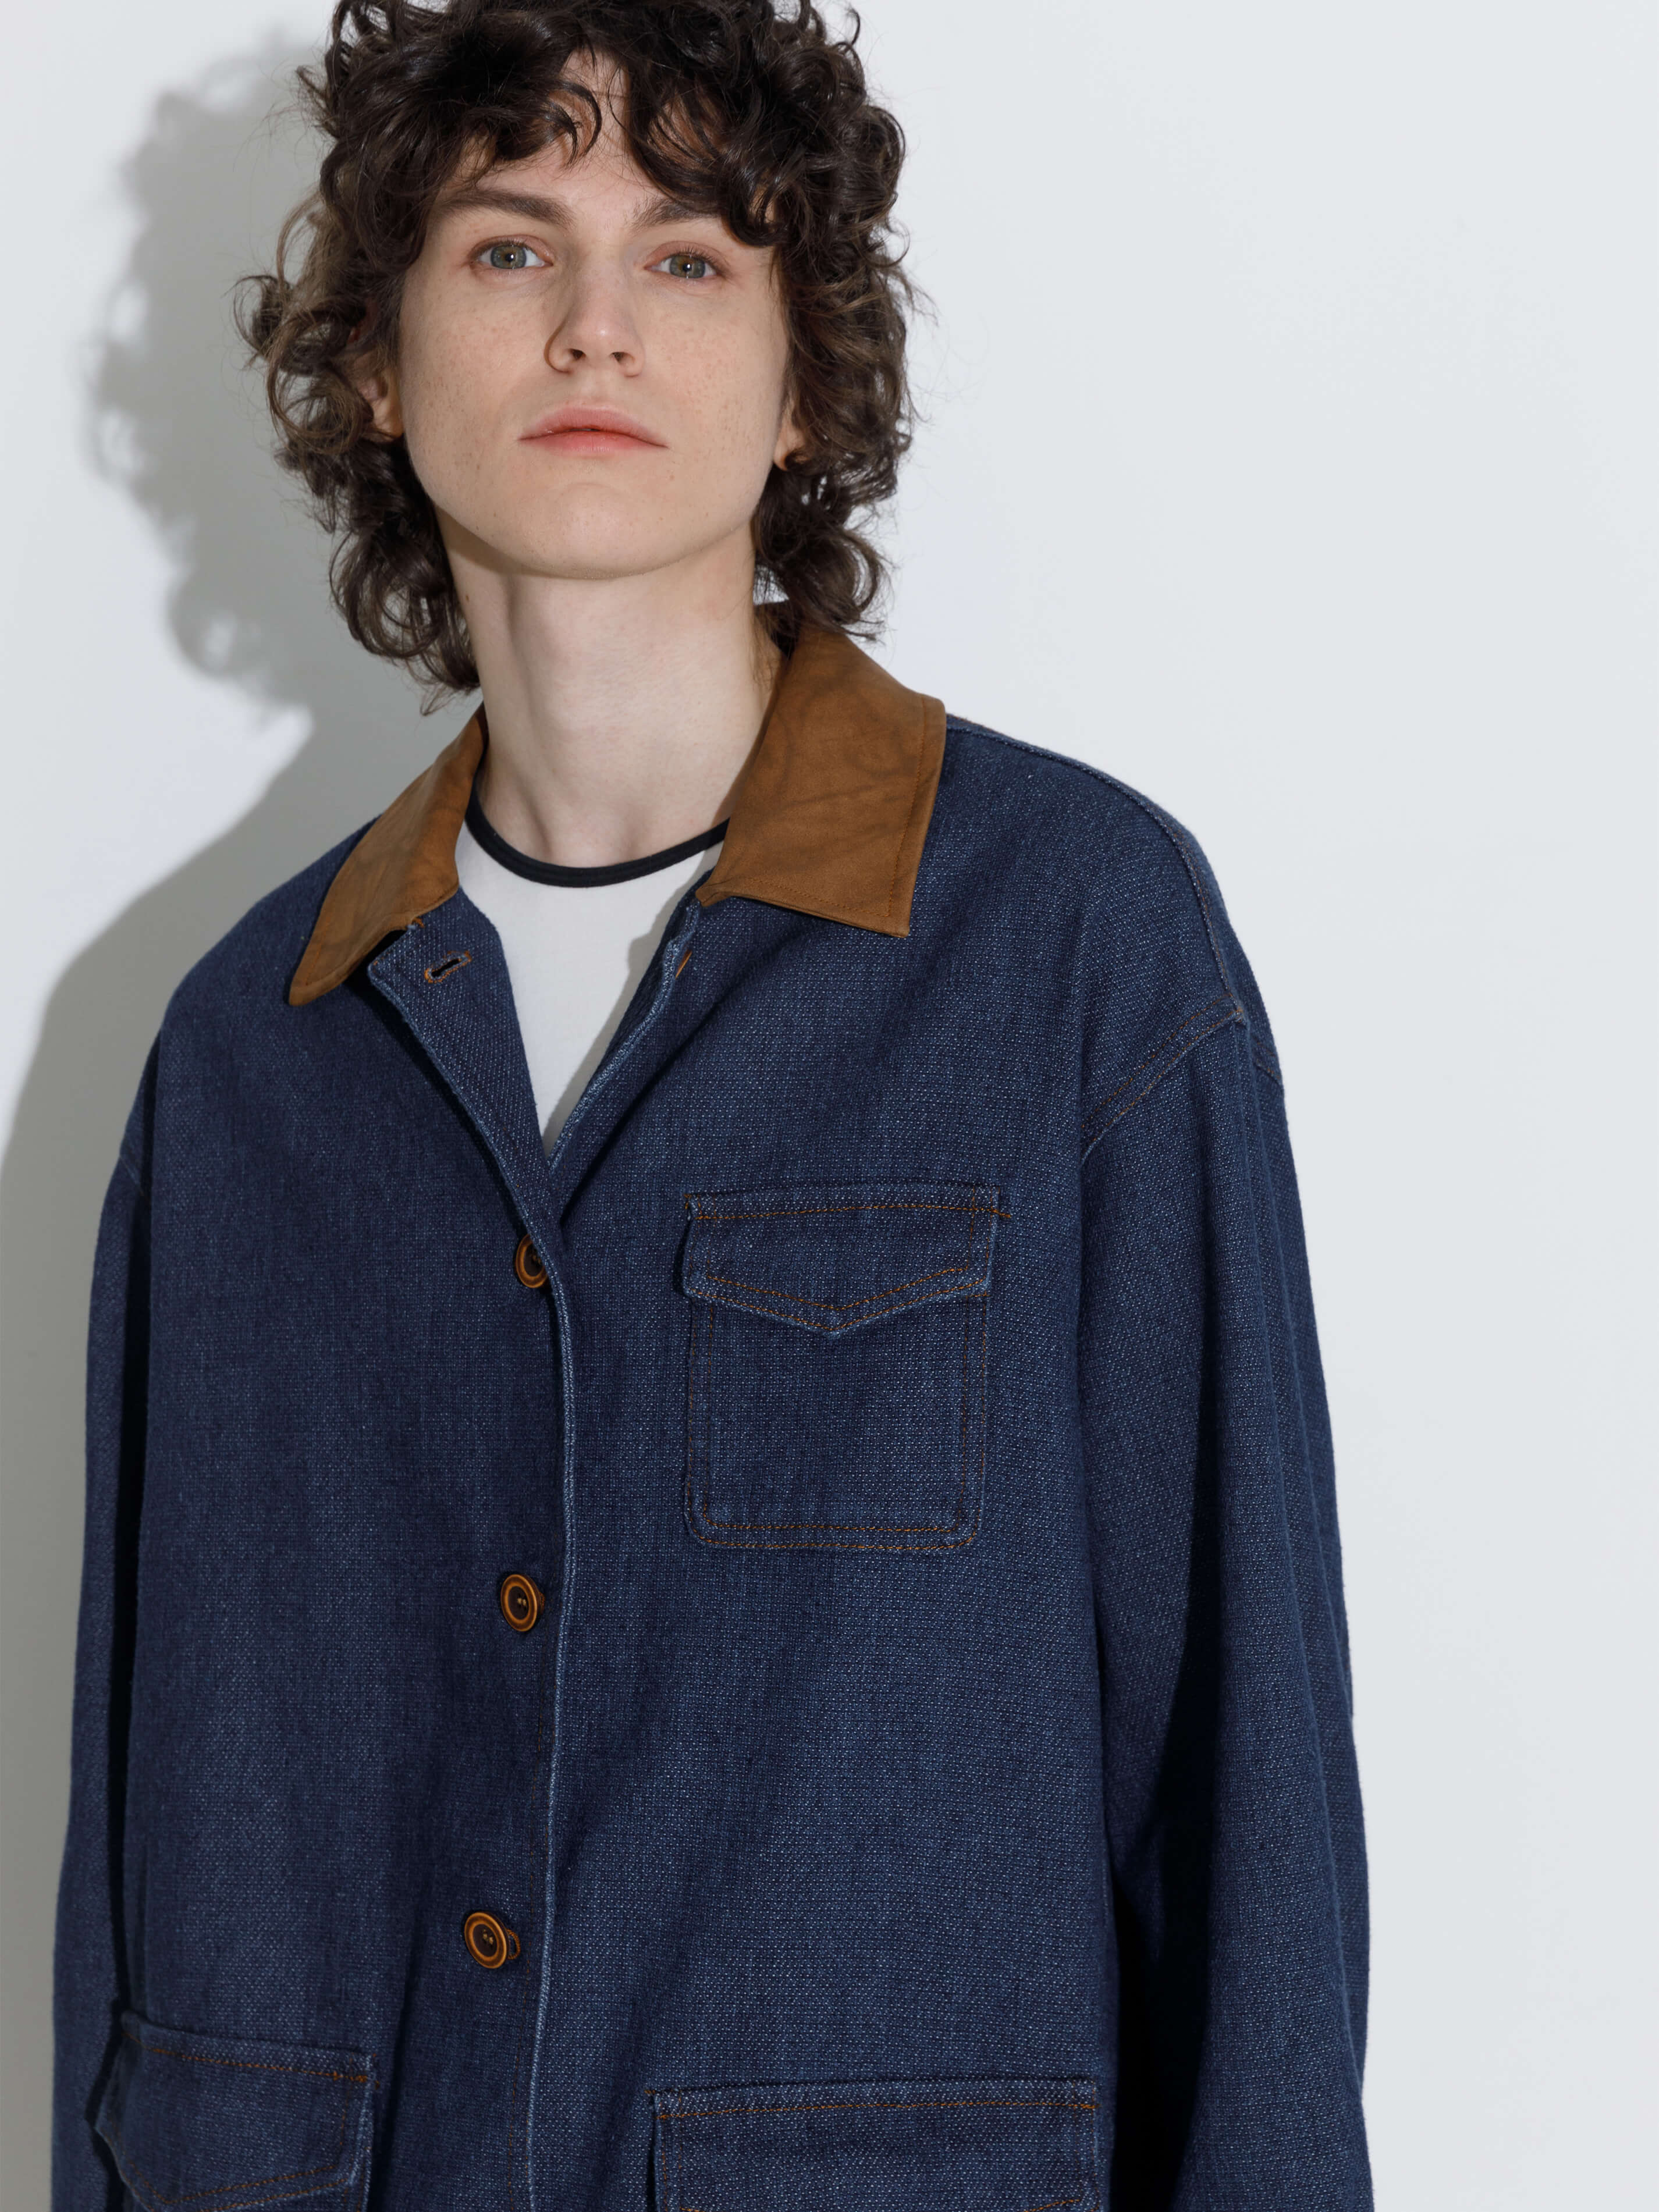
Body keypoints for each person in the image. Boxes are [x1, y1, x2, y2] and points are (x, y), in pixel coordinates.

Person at [52, 3, 1372, 2207]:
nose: (594, 323)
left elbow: (1243, 1794)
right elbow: (139, 1852)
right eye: (507, 247)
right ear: (376, 362)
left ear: (802, 386)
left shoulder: (1073, 946)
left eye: (686, 257)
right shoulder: (248, 1050)